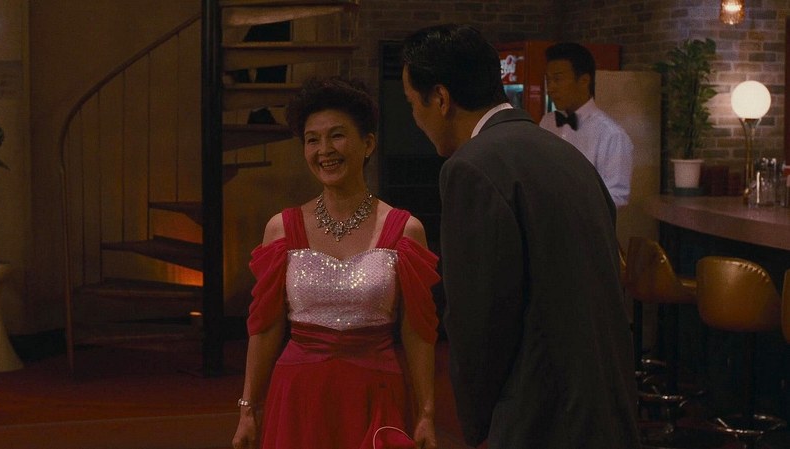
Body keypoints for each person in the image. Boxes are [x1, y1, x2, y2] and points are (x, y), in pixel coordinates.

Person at [401, 24, 639, 449]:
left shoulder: (471, 167)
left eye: (411, 103)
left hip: (540, 416)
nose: (414, 118)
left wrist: (477, 423)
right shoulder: (564, 153)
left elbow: (478, 318)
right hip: (605, 405)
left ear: (440, 98)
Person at [231, 76, 439, 449]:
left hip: (376, 392)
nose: (324, 150)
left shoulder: (405, 230)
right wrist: (248, 408)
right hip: (297, 397)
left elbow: (417, 329)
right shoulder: (282, 229)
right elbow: (265, 327)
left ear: (368, 143)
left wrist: (426, 412)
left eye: (337, 136)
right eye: (312, 140)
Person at [539, 42, 634, 207]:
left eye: (558, 79)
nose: (551, 88)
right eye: (548, 80)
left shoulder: (611, 135)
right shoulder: (547, 122)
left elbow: (616, 197)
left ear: (584, 80)